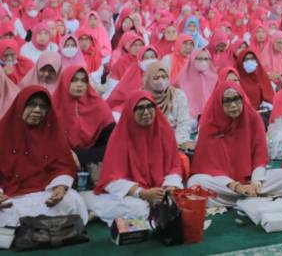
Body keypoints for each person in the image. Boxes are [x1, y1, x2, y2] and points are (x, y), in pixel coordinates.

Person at [188, 82, 282, 224]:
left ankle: (245, 196)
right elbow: (209, 167)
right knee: (195, 183)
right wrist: (236, 186)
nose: (233, 105)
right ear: (219, 102)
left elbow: (260, 156)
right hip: (224, 185)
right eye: (227, 101)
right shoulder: (209, 124)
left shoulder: (253, 118)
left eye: (236, 99)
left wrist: (256, 183)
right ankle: (248, 197)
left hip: (249, 181)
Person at [85, 91, 184, 225]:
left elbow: (174, 167)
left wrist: (169, 187)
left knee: (181, 201)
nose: (146, 112)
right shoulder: (120, 136)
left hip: (158, 191)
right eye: (140, 108)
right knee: (140, 208)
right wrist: (142, 193)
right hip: (131, 195)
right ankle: (97, 208)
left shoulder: (165, 130)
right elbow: (111, 180)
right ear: (131, 111)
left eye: (150, 106)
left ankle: (104, 211)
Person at [0, 86, 89, 227]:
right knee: (6, 213)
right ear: (20, 105)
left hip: (44, 193)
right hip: (11, 196)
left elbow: (63, 165)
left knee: (72, 200)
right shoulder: (3, 131)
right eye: (31, 104)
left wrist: (60, 187)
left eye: (43, 106)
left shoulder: (52, 133)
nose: (37, 110)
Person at [52, 65, 115, 171]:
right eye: (74, 80)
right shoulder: (54, 105)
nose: (79, 85)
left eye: (84, 81)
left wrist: (80, 156)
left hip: (92, 159)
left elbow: (113, 142)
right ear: (65, 81)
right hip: (60, 159)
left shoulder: (98, 105)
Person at [142, 61, 193, 149]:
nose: (161, 81)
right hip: (148, 143)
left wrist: (174, 144)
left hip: (175, 143)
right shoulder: (142, 97)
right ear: (148, 80)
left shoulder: (178, 95)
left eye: (164, 77)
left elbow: (184, 123)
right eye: (156, 78)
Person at [174, 48, 217, 120]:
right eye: (199, 59)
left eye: (206, 59)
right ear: (192, 59)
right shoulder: (182, 79)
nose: (203, 62)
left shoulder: (215, 78)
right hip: (187, 119)